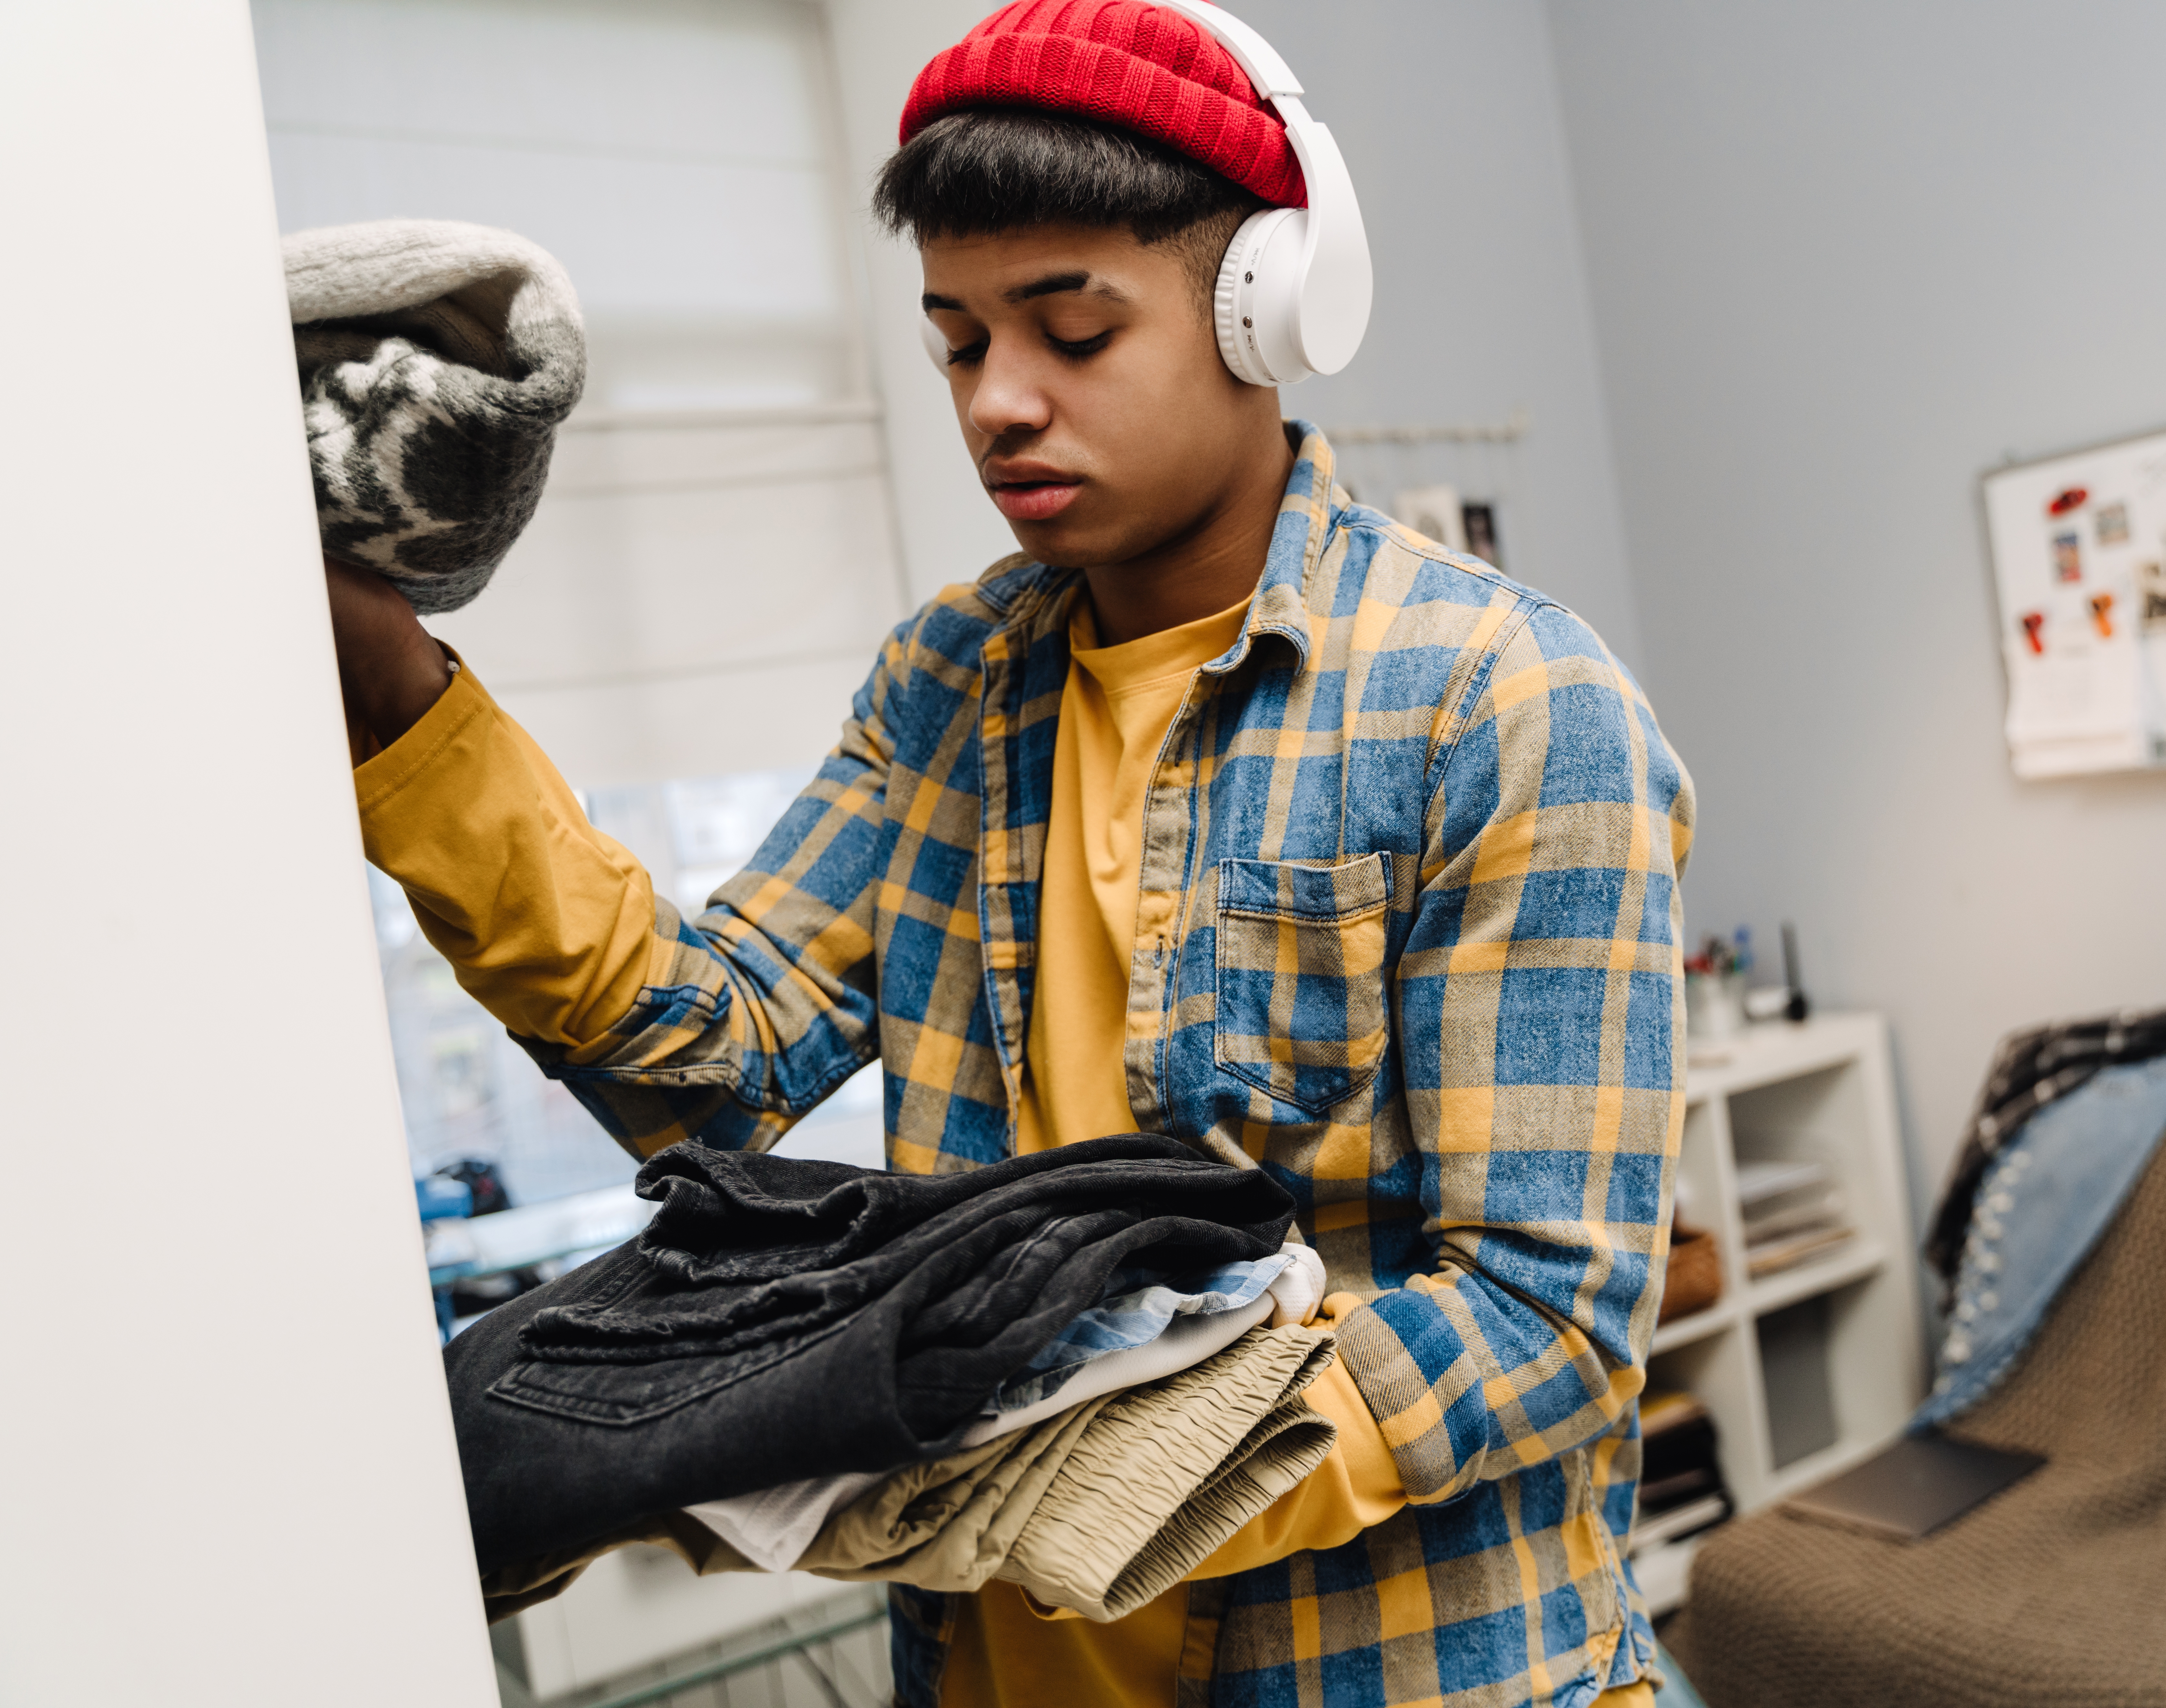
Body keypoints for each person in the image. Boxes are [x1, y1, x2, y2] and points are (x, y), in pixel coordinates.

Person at [330, 4, 1693, 1703]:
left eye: (1071, 328)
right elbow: (710, 1057)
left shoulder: (1508, 704)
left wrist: (1047, 1477)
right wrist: (394, 691)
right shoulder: (946, 682)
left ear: (1267, 309)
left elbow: (1543, 1313)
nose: (1000, 402)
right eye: (959, 341)